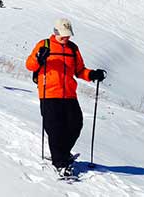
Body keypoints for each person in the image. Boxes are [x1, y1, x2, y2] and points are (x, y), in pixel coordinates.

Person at [26, 18, 106, 177]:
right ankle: (60, 164)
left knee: (76, 124)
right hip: (49, 93)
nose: (66, 38)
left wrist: (92, 74)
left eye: (68, 35)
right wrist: (39, 58)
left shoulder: (73, 48)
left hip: (69, 94)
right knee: (55, 130)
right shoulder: (44, 45)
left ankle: (63, 152)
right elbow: (30, 65)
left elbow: (79, 70)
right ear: (55, 32)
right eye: (63, 35)